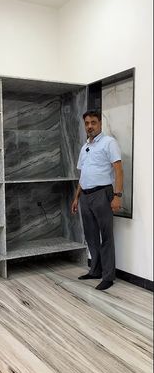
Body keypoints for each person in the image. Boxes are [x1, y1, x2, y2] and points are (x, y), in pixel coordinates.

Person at [71, 109, 123, 291]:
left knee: (106, 236)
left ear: (100, 123)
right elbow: (83, 174)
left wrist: (117, 196)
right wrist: (76, 198)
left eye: (93, 122)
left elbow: (118, 170)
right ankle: (95, 270)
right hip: (85, 196)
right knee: (91, 235)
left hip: (103, 194)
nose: (90, 126)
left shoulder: (109, 143)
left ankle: (108, 276)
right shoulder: (85, 147)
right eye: (87, 123)